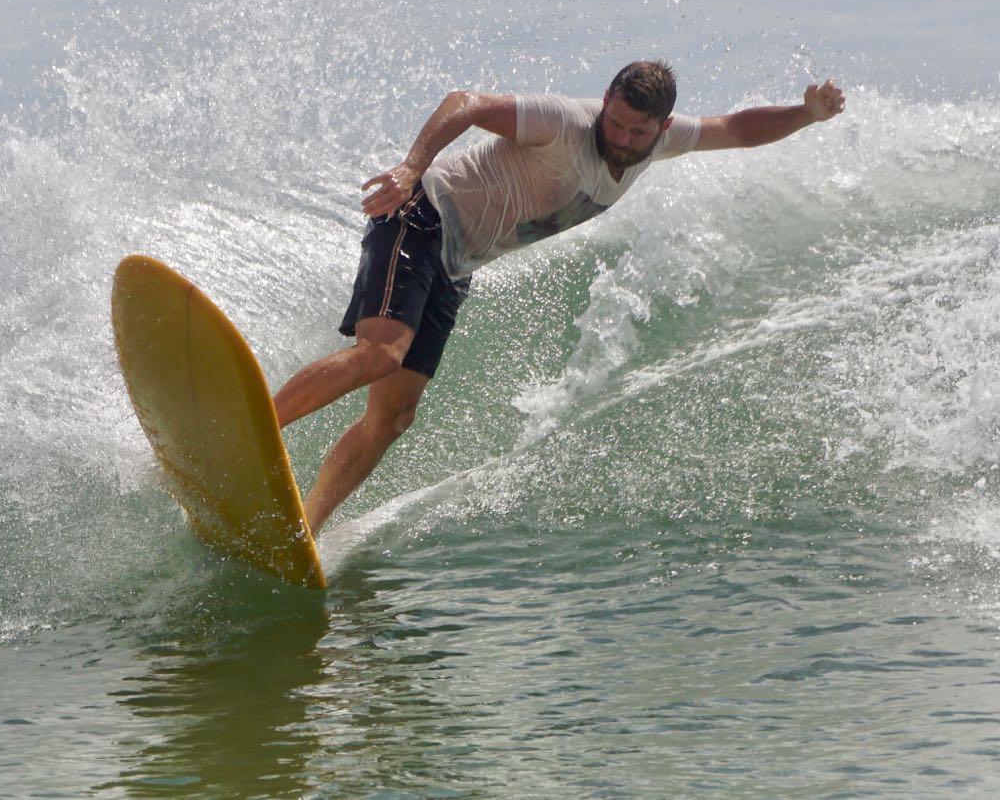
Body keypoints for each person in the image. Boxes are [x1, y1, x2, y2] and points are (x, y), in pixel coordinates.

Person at [273, 60, 846, 534]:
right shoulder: (563, 122)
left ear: (661, 125)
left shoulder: (665, 141)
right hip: (421, 215)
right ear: (605, 101)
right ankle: (255, 425)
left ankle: (307, 524)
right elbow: (465, 102)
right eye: (616, 123)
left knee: (395, 415)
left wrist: (807, 114)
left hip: (456, 263)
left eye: (637, 133)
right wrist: (410, 167)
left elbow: (740, 130)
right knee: (381, 355)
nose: (622, 139)